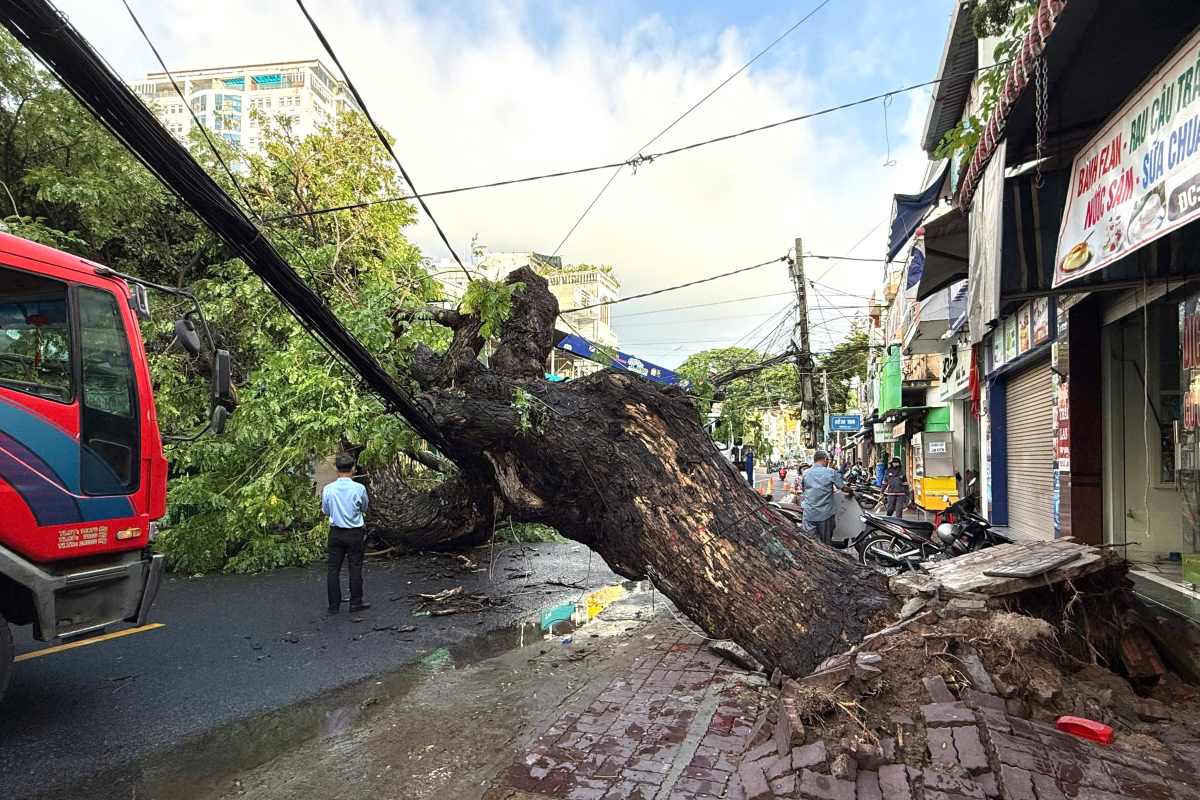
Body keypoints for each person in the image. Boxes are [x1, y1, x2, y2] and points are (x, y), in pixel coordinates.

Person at [322, 453, 370, 614]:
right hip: (355, 532)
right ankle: (356, 603)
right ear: (353, 469)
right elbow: (364, 508)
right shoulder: (359, 488)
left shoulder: (328, 489)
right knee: (355, 567)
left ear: (336, 469)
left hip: (335, 533)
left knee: (333, 569)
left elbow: (326, 510)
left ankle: (333, 606)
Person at [801, 450, 846, 546]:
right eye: (828, 460)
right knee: (825, 544)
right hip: (825, 515)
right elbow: (843, 488)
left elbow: (803, 489)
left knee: (809, 543)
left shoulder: (805, 473)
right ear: (825, 459)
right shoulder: (830, 472)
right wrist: (851, 491)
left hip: (809, 513)